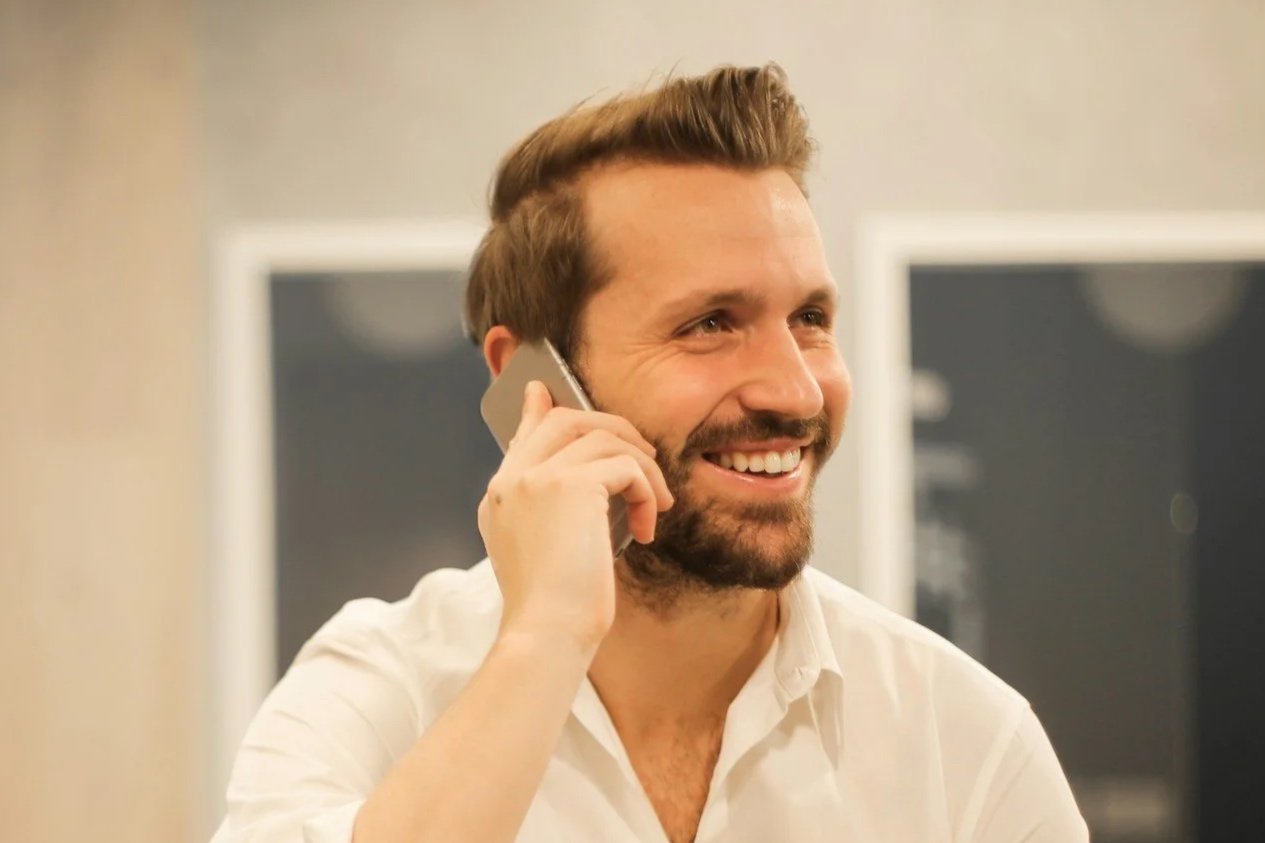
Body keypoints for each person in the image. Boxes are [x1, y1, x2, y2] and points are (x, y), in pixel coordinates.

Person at [212, 64, 1087, 843]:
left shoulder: (961, 740)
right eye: (710, 324)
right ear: (533, 383)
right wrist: (545, 637)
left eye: (810, 320)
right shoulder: (373, 691)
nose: (796, 390)